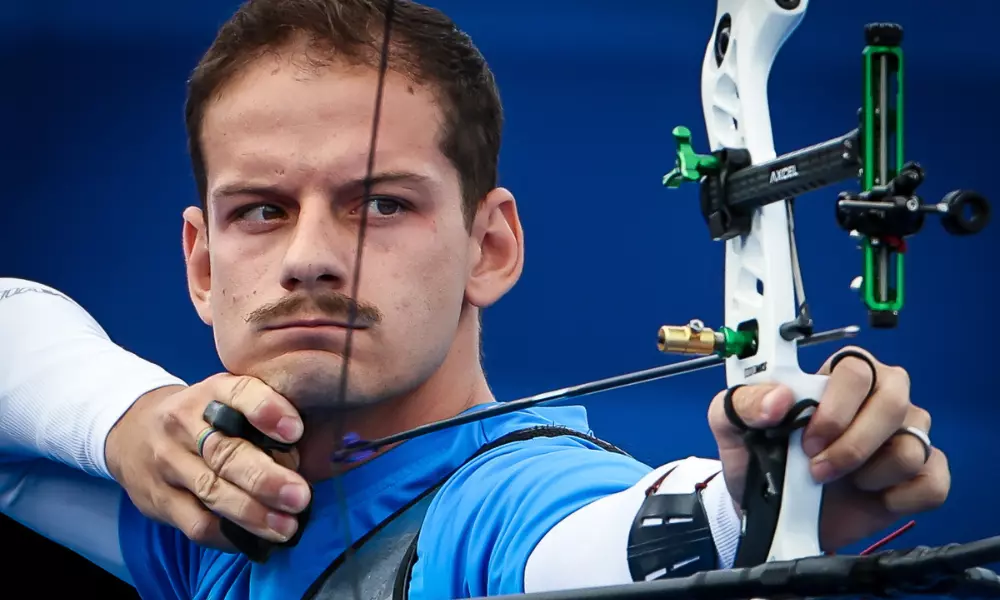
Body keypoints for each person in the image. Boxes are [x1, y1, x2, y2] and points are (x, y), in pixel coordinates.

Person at [0, 1, 949, 598]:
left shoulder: (505, 508)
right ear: (201, 264)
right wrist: (125, 419)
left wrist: (758, 504)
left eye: (379, 203)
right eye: (262, 209)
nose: (311, 258)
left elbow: (606, 534)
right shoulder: (216, 515)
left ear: (488, 247)